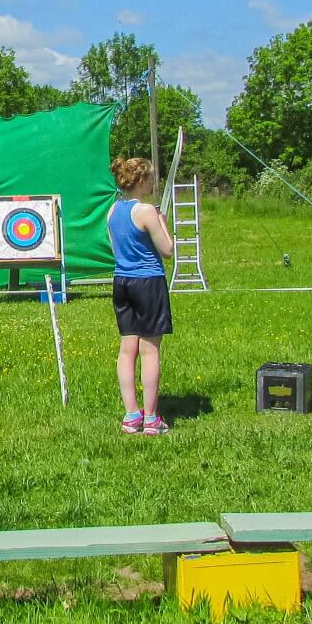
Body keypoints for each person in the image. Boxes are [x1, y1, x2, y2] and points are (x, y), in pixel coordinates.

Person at [109, 157, 176, 436]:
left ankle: (131, 416)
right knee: (150, 351)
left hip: (121, 282)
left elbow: (115, 248)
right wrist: (162, 220)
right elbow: (168, 249)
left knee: (127, 351)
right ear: (140, 181)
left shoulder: (112, 210)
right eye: (150, 179)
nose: (153, 183)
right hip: (148, 283)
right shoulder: (147, 211)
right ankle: (150, 419)